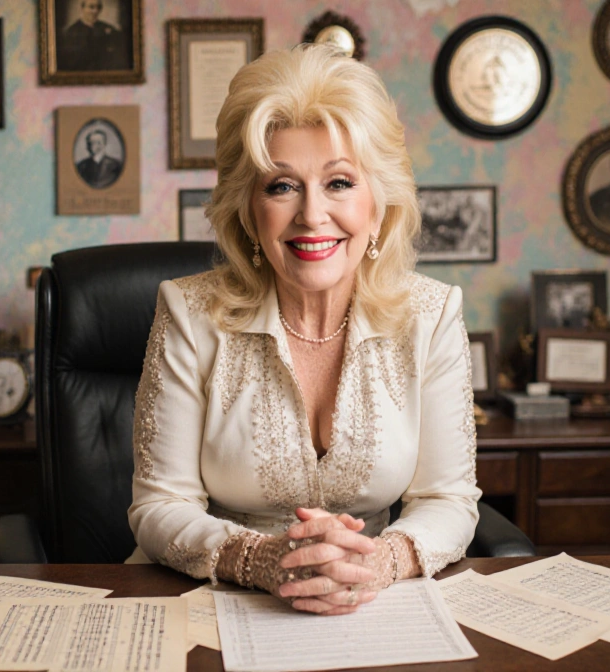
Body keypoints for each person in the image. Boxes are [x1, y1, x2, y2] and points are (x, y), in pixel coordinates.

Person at [128, 45, 481, 616]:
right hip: (211, 601)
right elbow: (160, 505)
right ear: (248, 210)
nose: (312, 214)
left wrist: (379, 561)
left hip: (375, 605)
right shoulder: (188, 314)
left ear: (379, 206)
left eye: (339, 182)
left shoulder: (432, 315)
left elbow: (449, 500)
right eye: (281, 186)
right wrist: (261, 560)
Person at [57, 0, 128, 72]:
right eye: (91, 7)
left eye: (98, 7)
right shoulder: (71, 32)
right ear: (82, 8)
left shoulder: (108, 29)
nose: (95, 11)